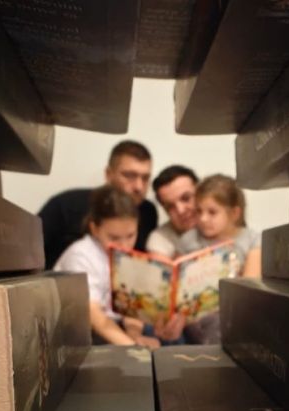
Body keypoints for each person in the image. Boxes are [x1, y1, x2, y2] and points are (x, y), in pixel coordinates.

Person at [54, 186, 183, 348]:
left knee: (170, 337)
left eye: (130, 236)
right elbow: (94, 316)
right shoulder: (81, 256)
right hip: (82, 332)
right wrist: (134, 349)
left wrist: (135, 336)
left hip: (114, 325)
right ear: (95, 229)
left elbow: (130, 308)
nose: (124, 245)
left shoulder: (124, 257)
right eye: (114, 238)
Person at [39, 140, 159, 268]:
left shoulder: (148, 212)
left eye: (145, 178)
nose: (139, 186)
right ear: (108, 174)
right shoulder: (66, 205)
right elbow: (28, 252)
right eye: (129, 175)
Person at [177, 174, 261, 277]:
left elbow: (250, 281)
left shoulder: (252, 240)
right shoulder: (189, 239)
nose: (203, 219)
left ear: (234, 213)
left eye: (212, 212)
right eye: (199, 211)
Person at [146, 165, 198, 258]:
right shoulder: (159, 239)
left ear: (201, 192)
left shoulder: (223, 220)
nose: (180, 211)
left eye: (186, 198)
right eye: (170, 206)